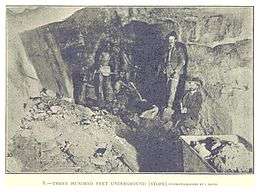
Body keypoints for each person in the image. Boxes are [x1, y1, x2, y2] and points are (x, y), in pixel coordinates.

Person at [162, 31, 188, 120]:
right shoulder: (168, 49)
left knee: (173, 89)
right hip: (168, 72)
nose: (170, 41)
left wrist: (176, 71)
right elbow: (166, 61)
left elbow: (182, 61)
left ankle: (169, 107)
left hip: (175, 72)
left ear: (175, 40)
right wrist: (165, 68)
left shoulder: (179, 49)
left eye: (172, 39)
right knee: (167, 88)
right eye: (169, 39)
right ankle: (166, 104)